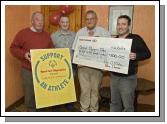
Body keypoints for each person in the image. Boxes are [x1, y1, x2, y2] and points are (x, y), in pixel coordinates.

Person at [10, 11, 54, 112]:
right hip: (28, 69)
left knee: (42, 92)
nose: (40, 22)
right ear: (32, 21)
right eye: (37, 19)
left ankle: (41, 111)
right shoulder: (22, 33)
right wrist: (24, 54)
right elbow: (13, 48)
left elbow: (52, 50)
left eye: (42, 20)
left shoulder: (47, 35)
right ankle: (31, 113)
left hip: (43, 70)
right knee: (29, 92)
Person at [110, 15, 151, 112]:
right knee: (114, 103)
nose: (120, 26)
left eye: (123, 24)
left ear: (128, 26)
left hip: (128, 79)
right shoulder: (113, 40)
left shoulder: (136, 38)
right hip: (114, 77)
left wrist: (136, 56)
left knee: (128, 106)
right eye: (119, 24)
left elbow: (147, 54)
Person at [72, 10, 111, 112]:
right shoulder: (80, 32)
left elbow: (109, 49)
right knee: (84, 91)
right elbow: (75, 49)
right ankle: (84, 110)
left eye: (92, 18)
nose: (89, 21)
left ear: (96, 19)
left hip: (97, 69)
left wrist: (106, 65)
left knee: (95, 90)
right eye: (87, 19)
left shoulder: (104, 32)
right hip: (83, 68)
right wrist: (76, 62)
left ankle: (94, 111)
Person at [51, 15, 78, 112]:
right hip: (58, 67)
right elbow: (50, 51)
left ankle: (69, 105)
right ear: (59, 23)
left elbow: (77, 50)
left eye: (67, 22)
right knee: (57, 86)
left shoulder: (75, 35)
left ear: (69, 23)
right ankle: (56, 106)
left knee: (70, 87)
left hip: (71, 65)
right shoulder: (53, 36)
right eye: (63, 22)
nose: (65, 24)